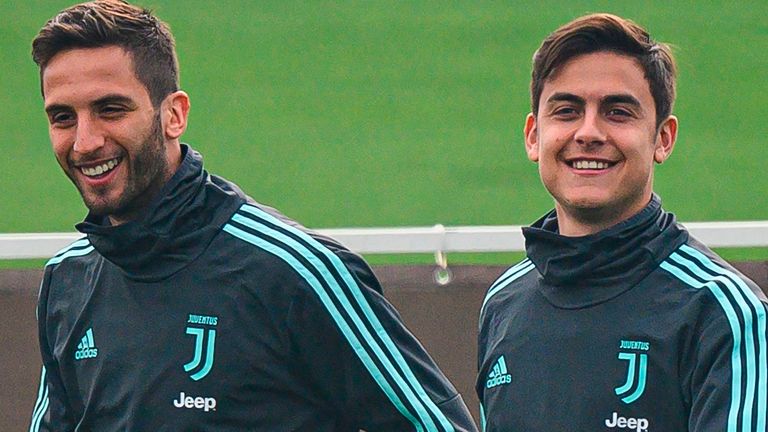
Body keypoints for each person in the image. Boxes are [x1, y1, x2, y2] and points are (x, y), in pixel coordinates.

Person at [27, 1, 477, 430]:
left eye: (110, 109)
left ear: (174, 115)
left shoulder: (294, 271)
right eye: (63, 117)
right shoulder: (67, 280)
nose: (85, 142)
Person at [477, 13, 767, 431]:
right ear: (534, 136)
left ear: (662, 139)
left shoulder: (725, 314)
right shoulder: (503, 303)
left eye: (617, 112)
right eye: (566, 110)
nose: (589, 132)